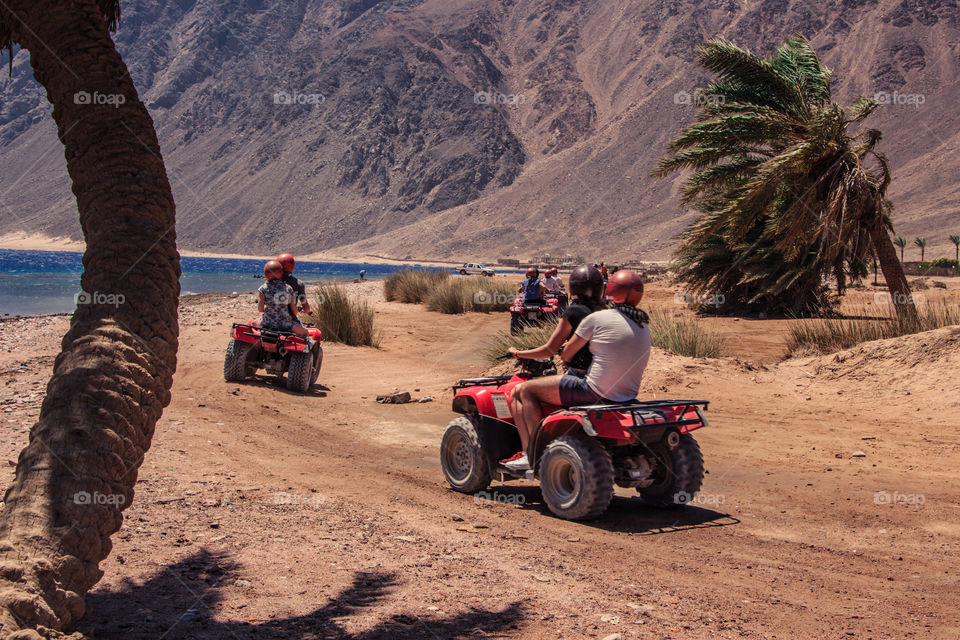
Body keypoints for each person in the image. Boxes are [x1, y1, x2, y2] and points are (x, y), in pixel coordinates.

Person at [502, 269, 651, 472]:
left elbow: (560, 353)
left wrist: (518, 353)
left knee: (523, 390)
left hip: (593, 389)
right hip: (628, 393)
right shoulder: (642, 323)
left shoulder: (592, 317)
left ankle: (530, 454)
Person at [258, 261, 309, 336]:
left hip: (267, 323)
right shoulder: (288, 288)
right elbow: (294, 312)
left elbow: (260, 309)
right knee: (306, 333)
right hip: (285, 325)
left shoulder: (262, 289)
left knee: (253, 323)